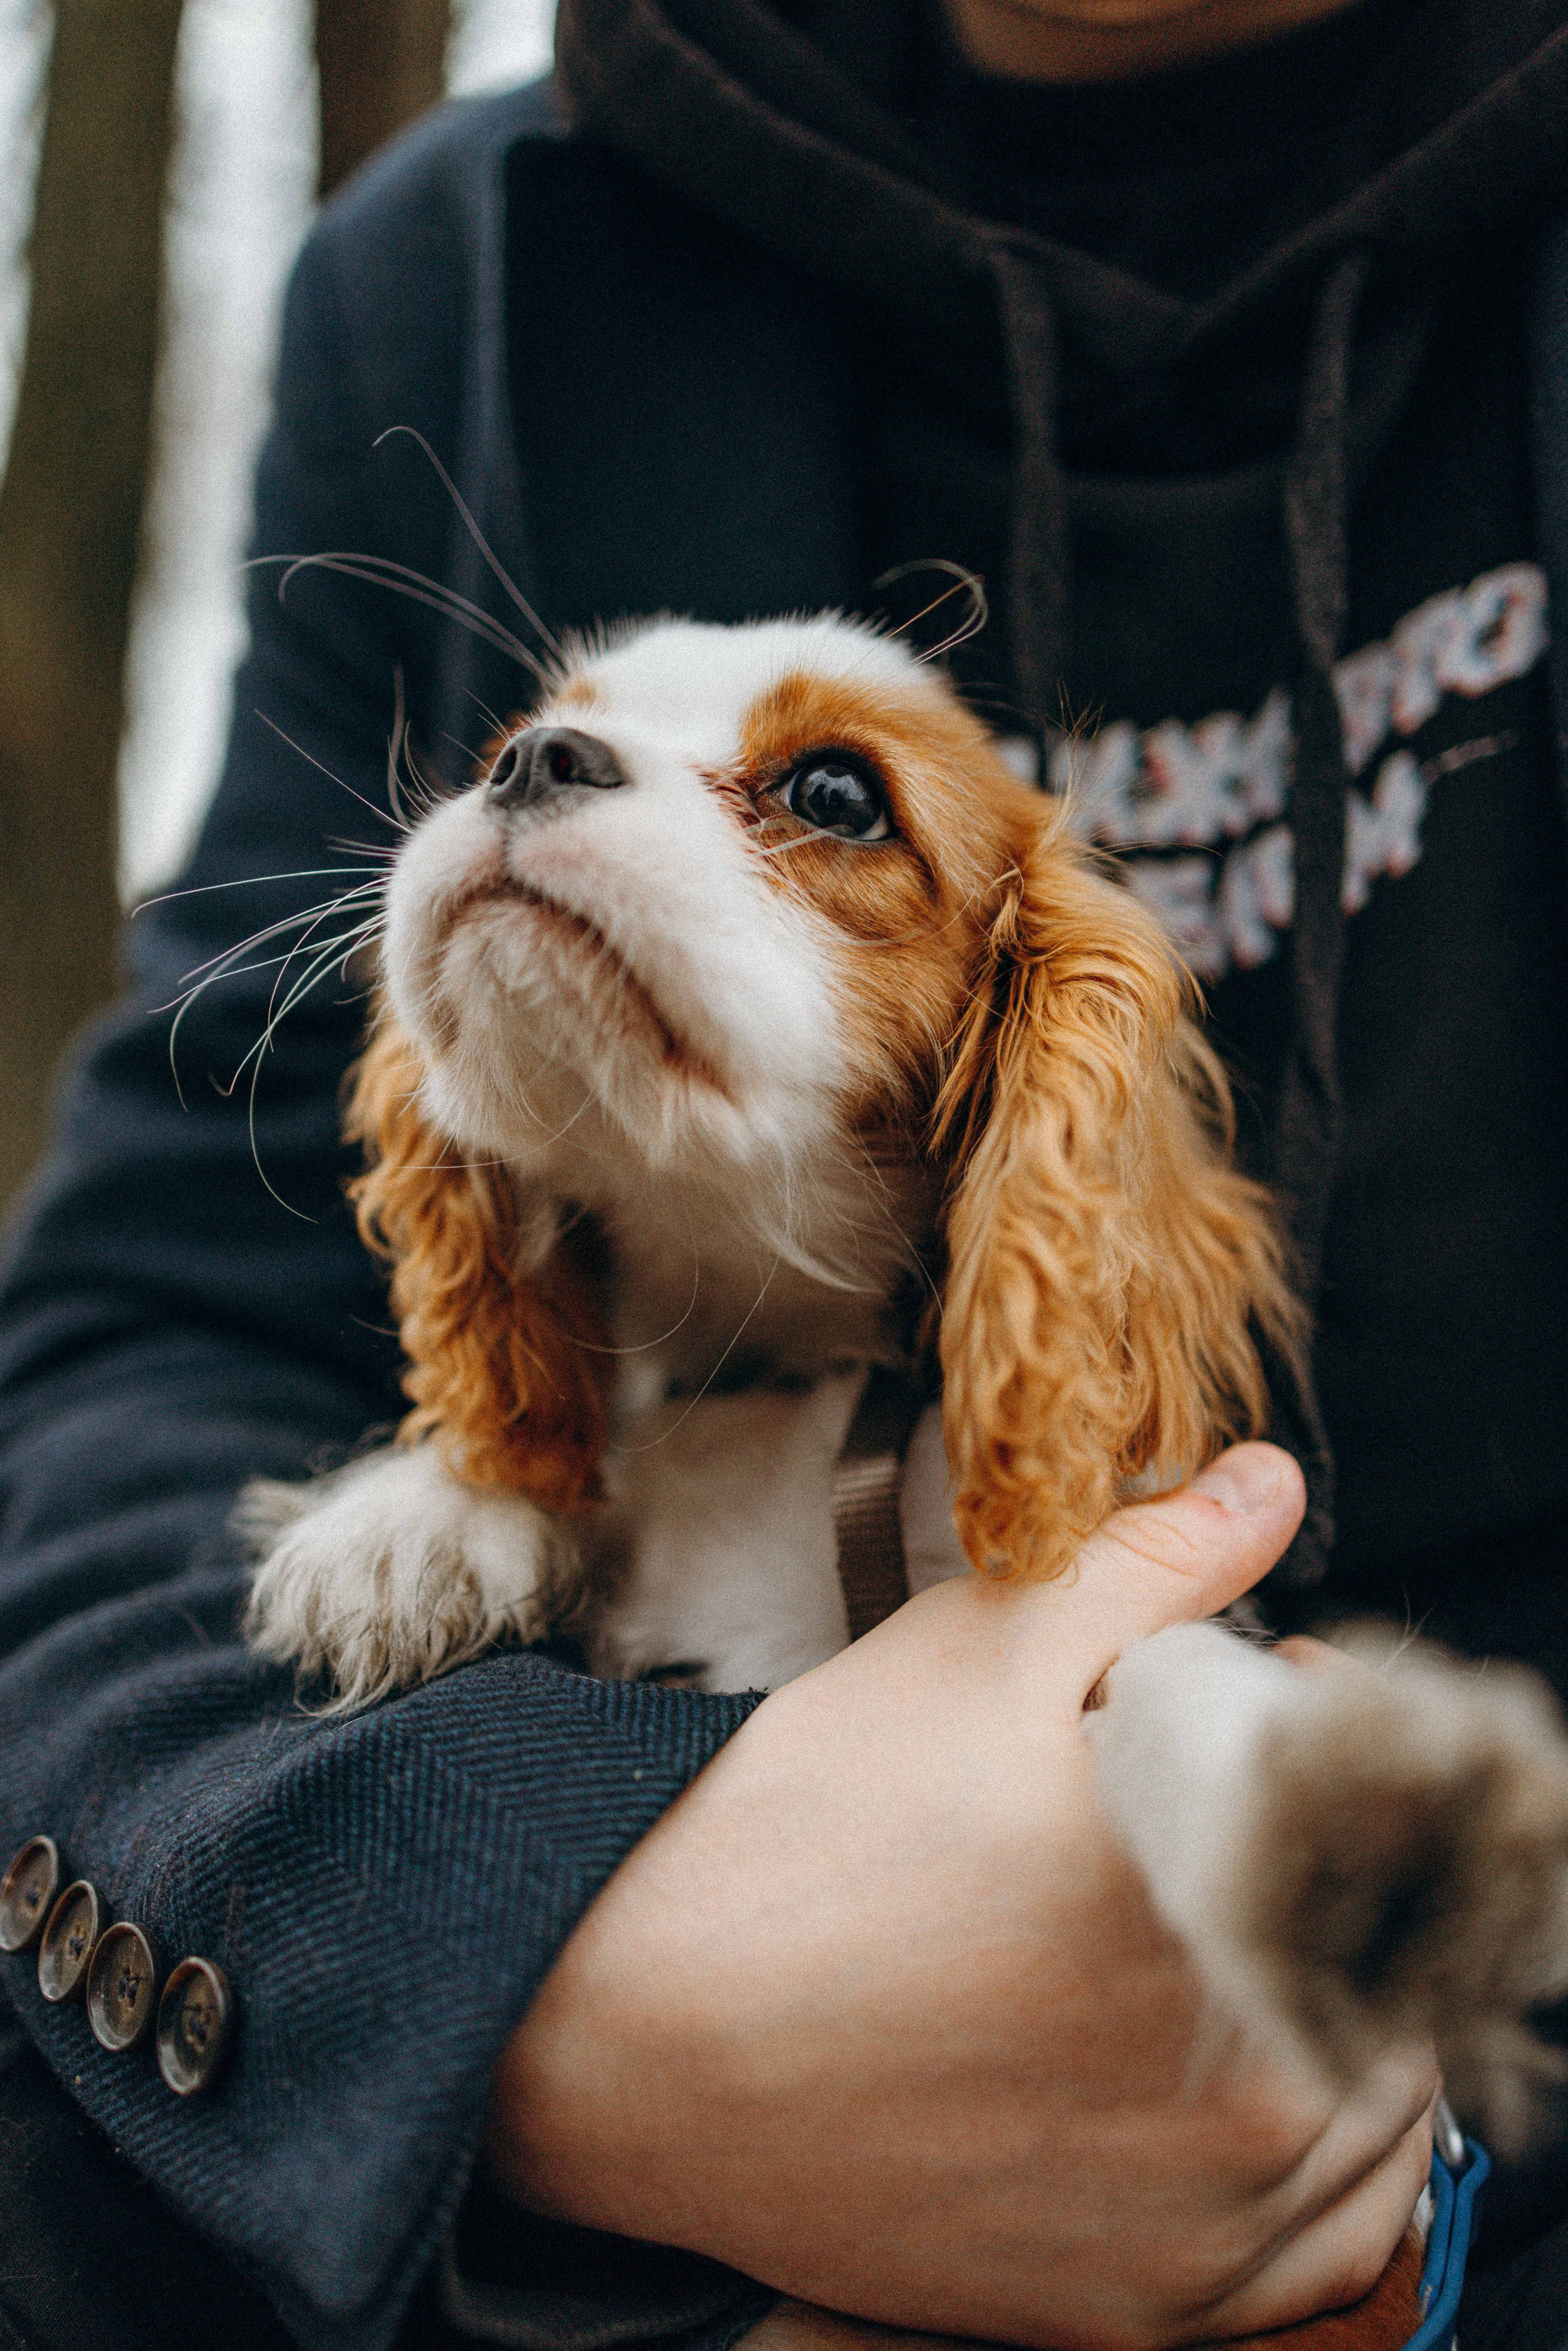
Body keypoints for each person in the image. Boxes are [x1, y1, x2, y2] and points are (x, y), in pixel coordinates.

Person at [0, 0, 1565, 2344]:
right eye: (543, 738)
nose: (554, 783)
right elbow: (158, 1328)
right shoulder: (449, 275)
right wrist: (547, 1988)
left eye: (818, 800)